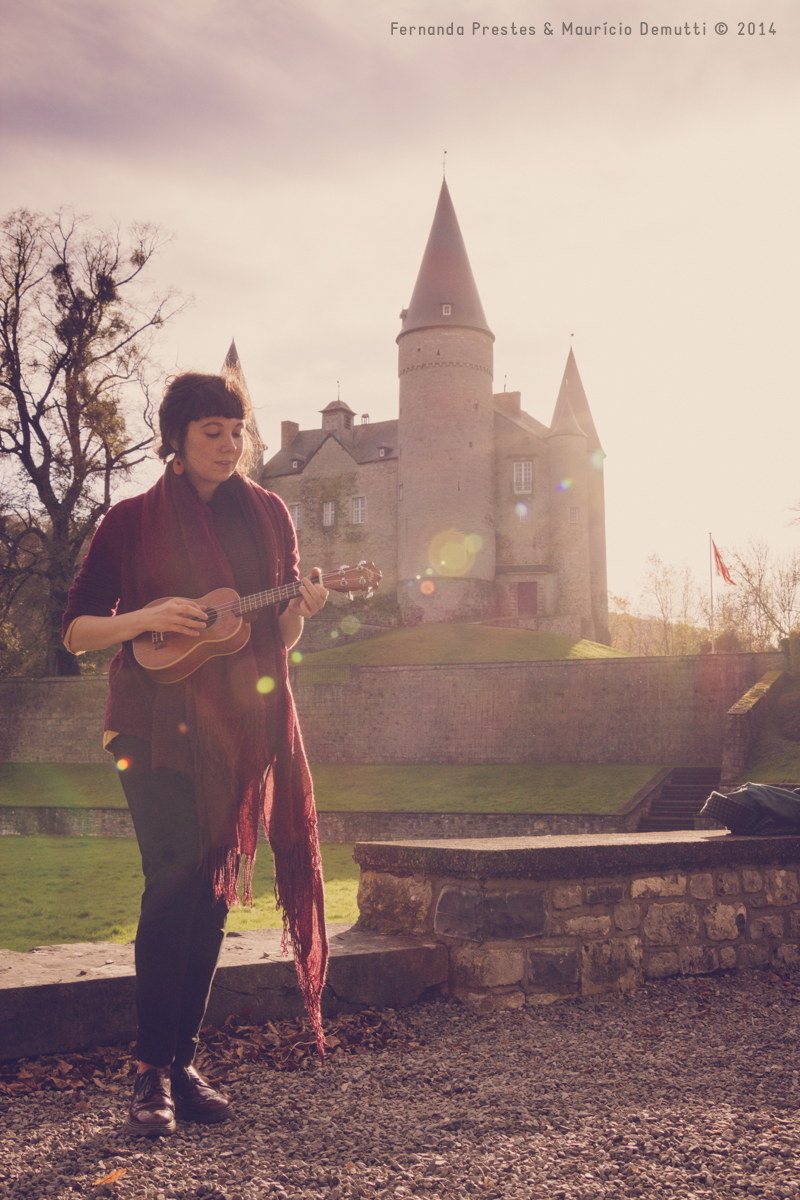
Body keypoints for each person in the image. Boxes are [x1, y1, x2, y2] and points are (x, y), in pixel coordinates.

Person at [62, 371, 329, 1137]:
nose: (227, 443)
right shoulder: (132, 519)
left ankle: (181, 1059)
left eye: (235, 429)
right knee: (174, 873)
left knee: (212, 890)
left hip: (236, 729)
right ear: (175, 440)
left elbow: (275, 636)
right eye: (210, 430)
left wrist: (302, 610)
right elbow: (78, 628)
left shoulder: (270, 514)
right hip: (149, 724)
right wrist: (142, 616)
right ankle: (149, 1070)